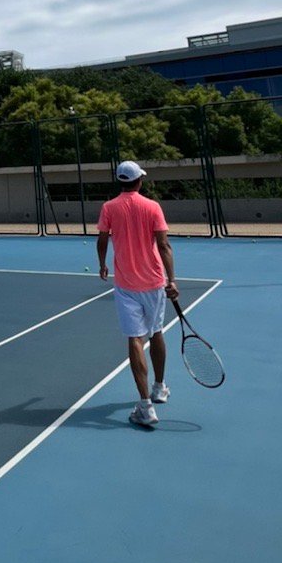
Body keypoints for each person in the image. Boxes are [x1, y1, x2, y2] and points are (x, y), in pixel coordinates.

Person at [96, 160, 179, 428]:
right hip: (154, 283)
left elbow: (102, 239)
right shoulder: (152, 206)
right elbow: (164, 244)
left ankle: (145, 406)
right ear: (139, 181)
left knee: (135, 338)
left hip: (126, 285)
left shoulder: (109, 207)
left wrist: (102, 264)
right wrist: (172, 280)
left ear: (120, 181)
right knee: (156, 333)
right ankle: (159, 388)